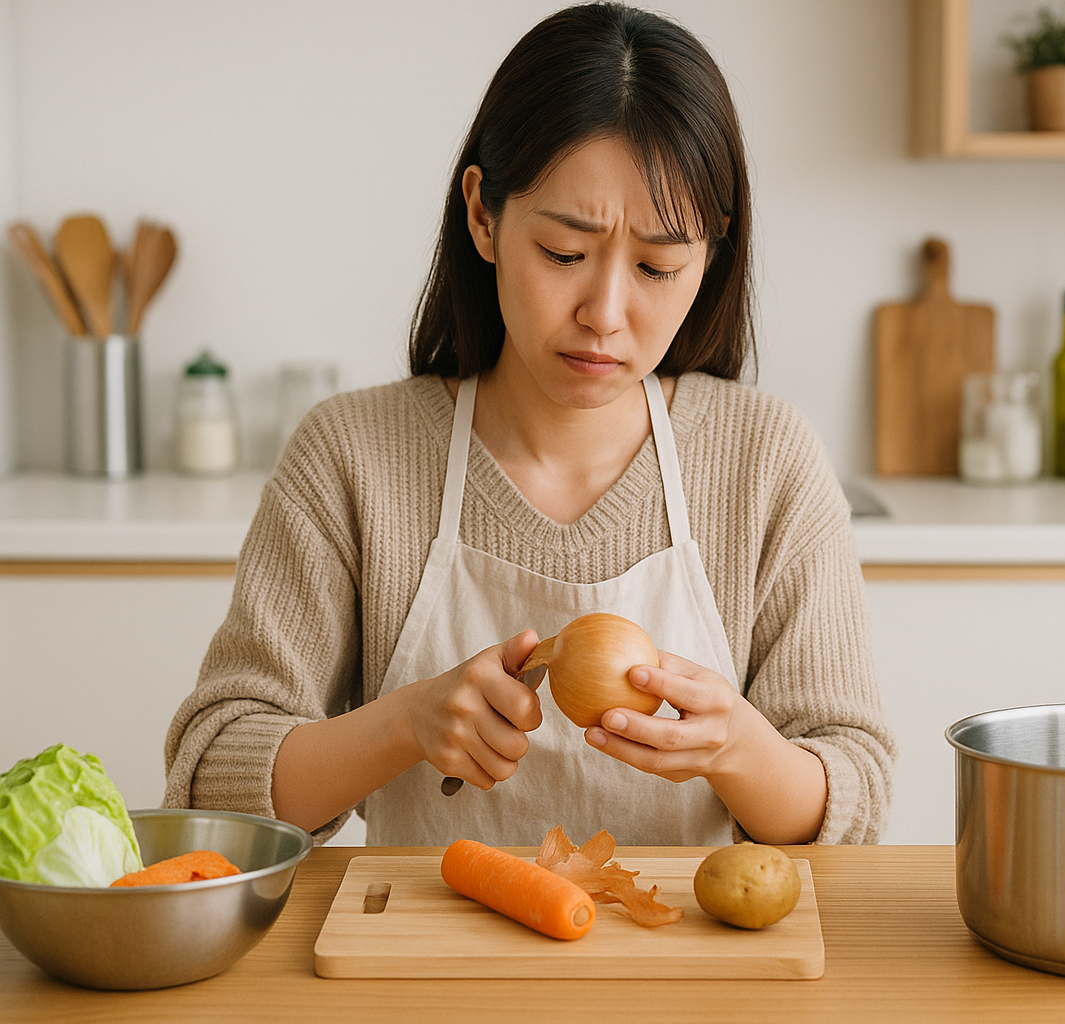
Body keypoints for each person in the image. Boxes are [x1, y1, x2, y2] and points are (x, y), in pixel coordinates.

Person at [163, 3, 894, 848]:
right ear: (484, 215)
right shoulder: (351, 455)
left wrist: (740, 751)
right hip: (423, 943)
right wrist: (404, 723)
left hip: (684, 944)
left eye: (658, 266)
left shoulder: (766, 460)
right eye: (564, 254)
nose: (605, 313)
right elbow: (210, 783)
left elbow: (855, 800)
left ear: (712, 253)